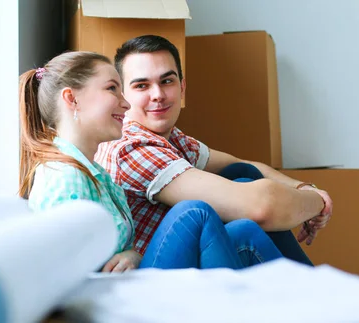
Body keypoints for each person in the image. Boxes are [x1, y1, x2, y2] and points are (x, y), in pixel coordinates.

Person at [18, 51, 283, 272]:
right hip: (110, 301)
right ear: (71, 99)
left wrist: (133, 255)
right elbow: (64, 276)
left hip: (130, 277)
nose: (125, 104)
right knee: (193, 212)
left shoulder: (90, 169)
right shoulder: (66, 178)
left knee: (244, 228)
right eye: (112, 89)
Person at [95, 35, 333, 266]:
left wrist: (302, 187)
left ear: (182, 87)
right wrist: (317, 203)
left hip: (179, 258)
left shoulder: (171, 138)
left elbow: (243, 164)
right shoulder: (132, 147)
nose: (157, 95)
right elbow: (262, 207)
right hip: (150, 274)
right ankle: (314, 295)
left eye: (167, 81)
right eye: (142, 85)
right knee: (245, 229)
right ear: (123, 97)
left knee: (241, 173)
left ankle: (308, 290)